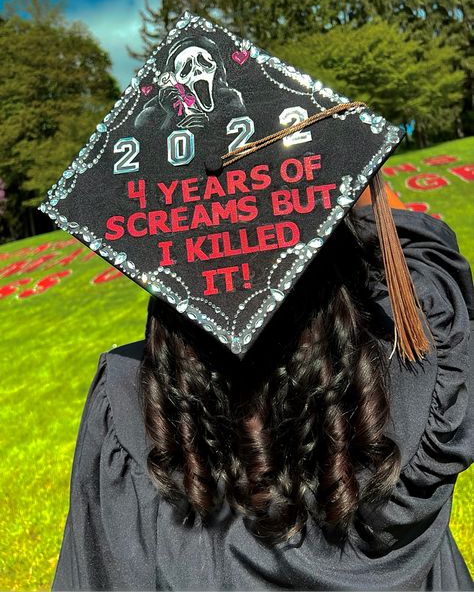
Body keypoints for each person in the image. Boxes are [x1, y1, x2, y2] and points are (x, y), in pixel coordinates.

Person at [51, 181, 474, 591]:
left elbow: (98, 572)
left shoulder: (130, 404)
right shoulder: (413, 362)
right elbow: (419, 251)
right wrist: (336, 149)